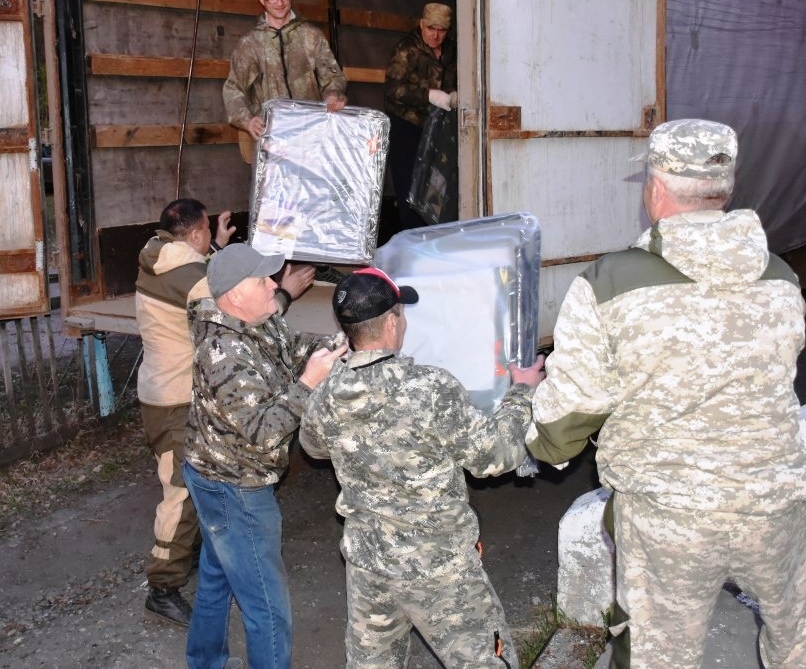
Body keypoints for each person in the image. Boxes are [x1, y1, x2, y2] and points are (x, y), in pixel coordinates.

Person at [528, 119, 806, 669]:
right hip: (776, 509)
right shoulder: (780, 278)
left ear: (656, 189)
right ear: (723, 189)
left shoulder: (607, 284)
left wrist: (532, 418)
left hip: (668, 524)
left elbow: (561, 431)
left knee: (658, 656)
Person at [300, 267, 544, 667]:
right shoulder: (430, 388)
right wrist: (521, 393)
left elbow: (313, 446)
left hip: (369, 567)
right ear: (393, 323)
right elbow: (495, 456)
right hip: (439, 570)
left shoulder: (326, 394)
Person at [134, 200, 313, 627]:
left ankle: (191, 565)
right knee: (180, 494)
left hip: (161, 385)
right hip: (177, 396)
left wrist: (214, 245)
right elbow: (240, 317)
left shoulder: (157, 255)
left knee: (192, 492)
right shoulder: (194, 281)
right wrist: (285, 292)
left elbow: (204, 276)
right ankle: (162, 586)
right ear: (195, 235)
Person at [182, 243, 347, 668]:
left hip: (215, 472)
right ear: (234, 295)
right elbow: (262, 430)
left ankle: (203, 663)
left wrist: (340, 346)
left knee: (218, 581)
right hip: (234, 484)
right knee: (267, 609)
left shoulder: (257, 319)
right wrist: (310, 384)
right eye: (262, 280)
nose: (274, 284)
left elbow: (290, 350)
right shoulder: (224, 352)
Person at [223, 0, 348, 161]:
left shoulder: (311, 36)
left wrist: (332, 95)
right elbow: (233, 89)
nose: (279, 2)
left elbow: (333, 77)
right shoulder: (250, 44)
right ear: (261, 0)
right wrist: (247, 120)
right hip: (272, 143)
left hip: (312, 139)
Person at [383, 3, 457, 229]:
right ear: (422, 24)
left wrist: (455, 92)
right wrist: (428, 95)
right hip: (407, 126)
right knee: (409, 190)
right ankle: (413, 243)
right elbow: (391, 90)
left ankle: (435, 240)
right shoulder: (407, 49)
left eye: (442, 30)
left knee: (437, 188)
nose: (436, 35)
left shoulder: (452, 50)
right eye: (431, 28)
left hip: (437, 129)